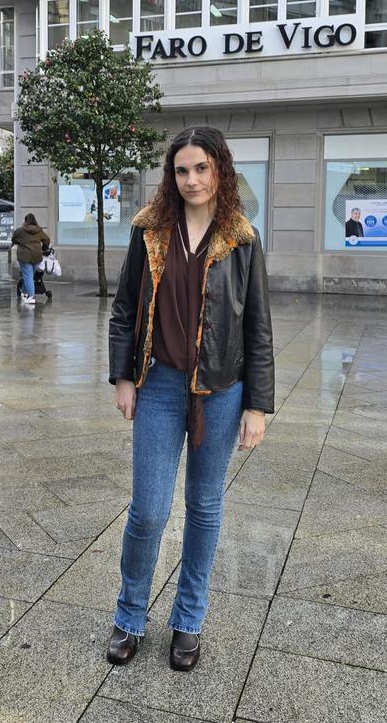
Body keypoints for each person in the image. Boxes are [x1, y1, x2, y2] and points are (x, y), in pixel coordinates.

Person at [106, 126, 274, 672]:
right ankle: (130, 616)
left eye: (201, 168)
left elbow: (258, 329)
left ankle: (188, 622)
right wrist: (123, 376)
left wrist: (257, 406)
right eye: (182, 170)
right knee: (149, 511)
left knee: (204, 508)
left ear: (219, 170)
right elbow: (125, 307)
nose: (192, 179)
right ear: (170, 176)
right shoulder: (150, 231)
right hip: (158, 385)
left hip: (222, 391)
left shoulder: (242, 241)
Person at [10, 213, 50, 306]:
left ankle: (31, 297)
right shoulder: (39, 231)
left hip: (24, 256)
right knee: (29, 276)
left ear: (25, 221)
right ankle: (24, 292)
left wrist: (18, 242)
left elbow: (14, 239)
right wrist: (44, 247)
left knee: (28, 276)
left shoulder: (20, 231)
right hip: (37, 256)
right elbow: (47, 239)